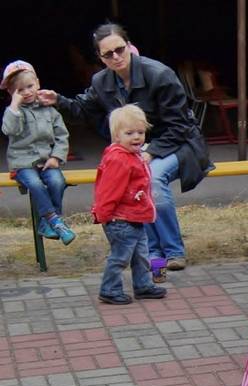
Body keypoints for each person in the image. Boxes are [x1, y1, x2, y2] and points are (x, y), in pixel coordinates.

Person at [38, 22, 213, 271]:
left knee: (151, 178)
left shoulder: (159, 75)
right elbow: (83, 109)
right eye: (108, 54)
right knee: (133, 181)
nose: (116, 57)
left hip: (178, 144)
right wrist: (58, 100)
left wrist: (150, 152)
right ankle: (151, 251)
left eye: (120, 49)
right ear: (100, 57)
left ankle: (174, 251)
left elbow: (181, 126)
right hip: (135, 149)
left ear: (130, 46)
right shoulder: (101, 81)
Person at [93, 105, 167, 305]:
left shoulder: (132, 155)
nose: (137, 137)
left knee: (141, 254)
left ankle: (143, 285)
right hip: (120, 218)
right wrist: (105, 215)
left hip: (134, 216)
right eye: (130, 133)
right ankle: (109, 289)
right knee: (120, 257)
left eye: (141, 132)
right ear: (117, 135)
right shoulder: (119, 159)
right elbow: (108, 190)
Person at [1, 60, 75, 245]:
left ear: (38, 84)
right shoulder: (13, 112)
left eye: (30, 86)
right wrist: (14, 107)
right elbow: (9, 130)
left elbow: (61, 135)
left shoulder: (49, 110)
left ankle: (45, 223)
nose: (26, 92)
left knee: (58, 181)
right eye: (19, 90)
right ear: (11, 93)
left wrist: (56, 157)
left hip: (46, 160)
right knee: (35, 184)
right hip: (22, 163)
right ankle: (55, 220)